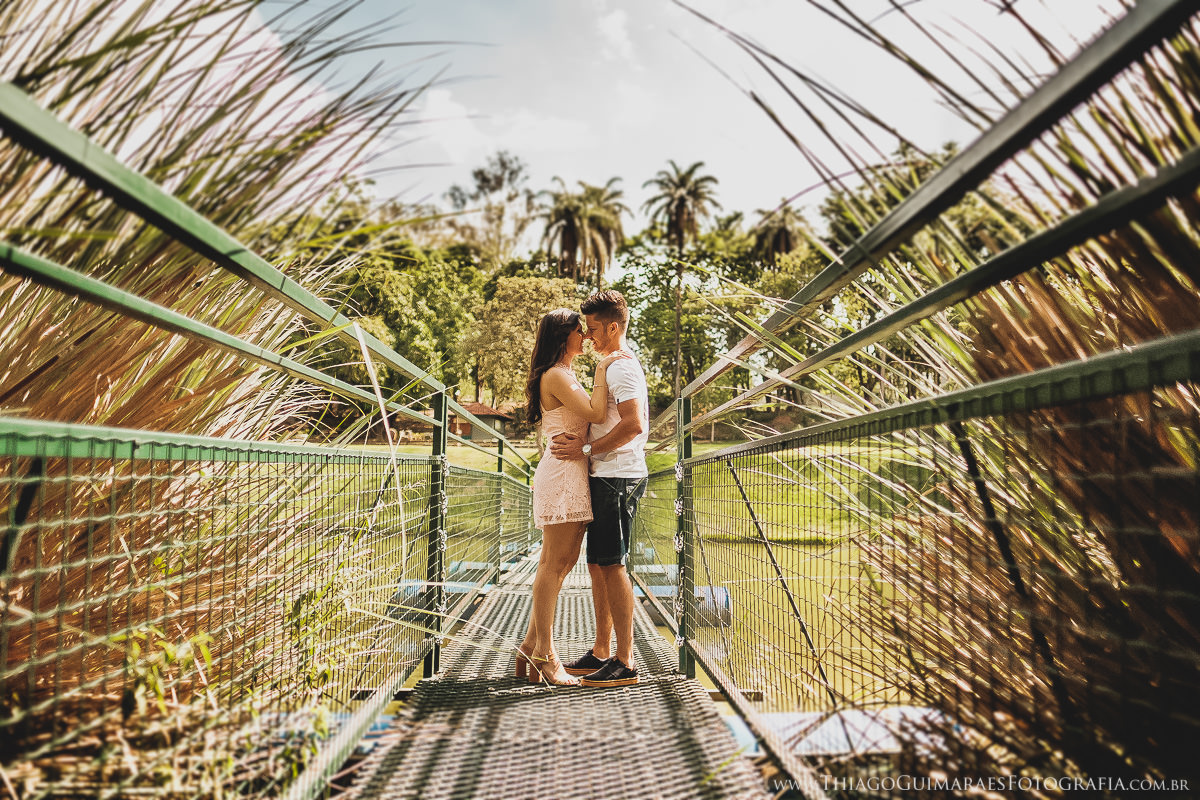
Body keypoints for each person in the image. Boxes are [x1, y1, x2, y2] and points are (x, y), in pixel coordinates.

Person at [518, 308, 628, 686]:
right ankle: (546, 657)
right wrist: (603, 368)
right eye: (579, 330)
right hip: (564, 474)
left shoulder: (563, 374)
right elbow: (598, 413)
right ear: (562, 336)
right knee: (554, 565)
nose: (586, 335)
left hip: (571, 473)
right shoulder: (557, 375)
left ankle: (530, 648)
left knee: (560, 564)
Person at [551, 290, 649, 688]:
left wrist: (586, 448)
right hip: (605, 474)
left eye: (592, 329)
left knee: (612, 564)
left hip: (618, 476)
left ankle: (625, 662)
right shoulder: (610, 364)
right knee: (598, 564)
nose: (588, 337)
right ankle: (601, 651)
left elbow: (635, 424)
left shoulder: (620, 368)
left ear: (613, 326)